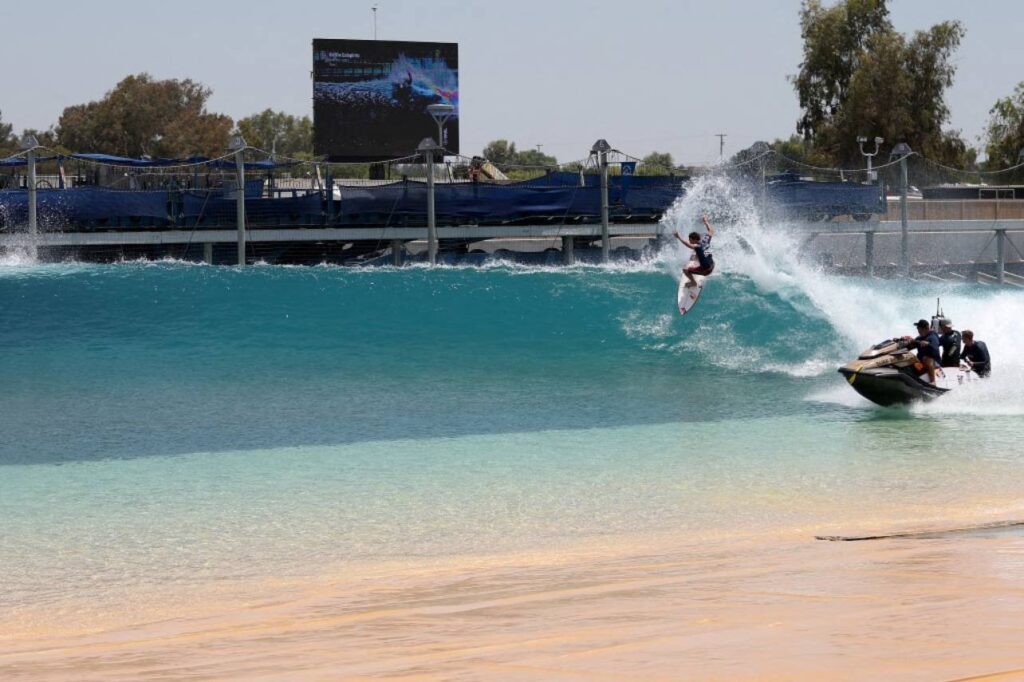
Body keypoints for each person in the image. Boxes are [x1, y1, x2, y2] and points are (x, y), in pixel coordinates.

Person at [674, 215, 715, 288]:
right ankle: (699, 267)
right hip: (712, 265)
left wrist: (678, 237)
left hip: (707, 270)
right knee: (696, 254)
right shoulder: (705, 240)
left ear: (695, 240)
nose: (689, 241)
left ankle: (693, 283)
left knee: (685, 270)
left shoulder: (697, 246)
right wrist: (706, 221)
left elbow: (687, 244)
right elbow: (711, 230)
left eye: (690, 240)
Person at [909, 319, 941, 385]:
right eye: (917, 328)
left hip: (935, 364)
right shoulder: (919, 338)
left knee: (926, 358)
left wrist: (928, 344)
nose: (918, 331)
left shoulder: (932, 337)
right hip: (921, 362)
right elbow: (910, 345)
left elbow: (935, 348)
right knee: (909, 357)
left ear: (926, 328)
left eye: (919, 329)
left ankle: (933, 382)